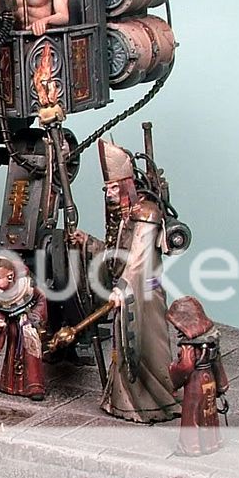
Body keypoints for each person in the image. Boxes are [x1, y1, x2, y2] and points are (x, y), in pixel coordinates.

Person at [68, 140, 179, 423]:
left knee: (146, 349)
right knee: (124, 349)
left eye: (114, 188)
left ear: (127, 184)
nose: (109, 194)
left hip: (144, 293)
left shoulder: (146, 214)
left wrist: (122, 287)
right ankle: (123, 402)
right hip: (125, 291)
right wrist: (88, 242)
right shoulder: (123, 214)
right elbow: (115, 254)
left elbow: (139, 259)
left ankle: (158, 402)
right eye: (107, 188)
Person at [166, 296, 230, 454]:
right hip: (209, 379)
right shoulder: (211, 340)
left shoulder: (189, 346)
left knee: (192, 414)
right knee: (209, 413)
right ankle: (211, 443)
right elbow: (217, 363)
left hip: (195, 383)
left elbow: (185, 367)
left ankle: (191, 446)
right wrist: (221, 386)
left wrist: (173, 377)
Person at [0, 255, 48, 400]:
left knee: (31, 357)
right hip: (13, 328)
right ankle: (7, 384)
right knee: (11, 355)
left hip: (28, 327)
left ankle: (34, 386)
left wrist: (35, 317)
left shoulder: (28, 287)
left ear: (10, 276)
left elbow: (41, 300)